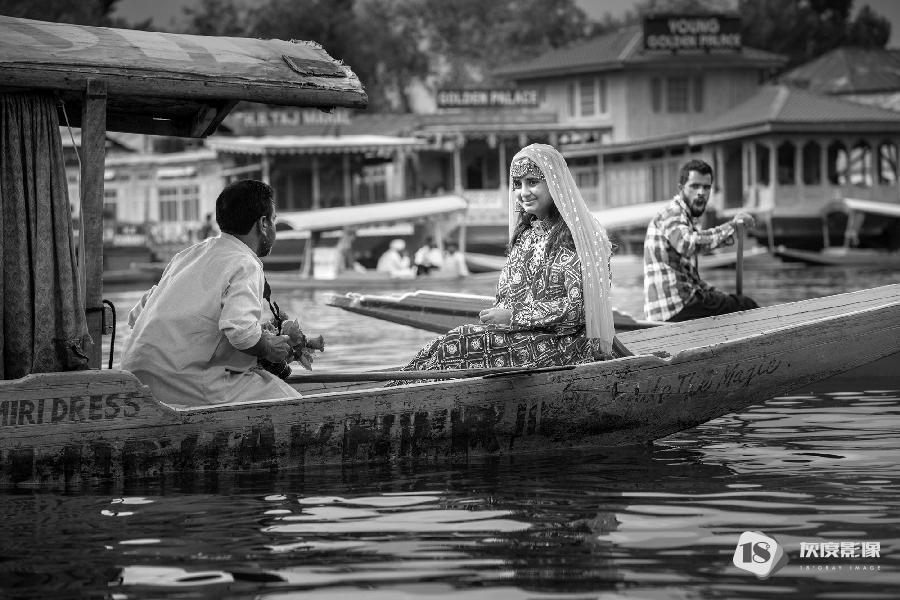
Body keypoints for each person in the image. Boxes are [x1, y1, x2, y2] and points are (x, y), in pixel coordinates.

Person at [391, 143, 615, 377]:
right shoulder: (525, 237)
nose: (523, 192)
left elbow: (580, 310)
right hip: (524, 336)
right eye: (517, 184)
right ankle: (395, 390)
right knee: (441, 344)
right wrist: (498, 316)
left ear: (554, 183)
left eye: (532, 182)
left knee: (459, 342)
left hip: (568, 346)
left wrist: (514, 316)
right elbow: (506, 298)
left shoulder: (579, 238)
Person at [120, 180, 301, 407]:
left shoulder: (187, 255)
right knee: (295, 403)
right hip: (182, 383)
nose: (273, 228)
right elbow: (242, 334)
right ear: (263, 224)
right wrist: (270, 349)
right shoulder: (245, 263)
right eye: (273, 220)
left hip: (133, 377)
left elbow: (137, 316)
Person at [643, 159, 759, 322]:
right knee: (746, 305)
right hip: (676, 307)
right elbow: (687, 244)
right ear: (681, 188)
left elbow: (694, 281)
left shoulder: (685, 220)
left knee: (735, 302)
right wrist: (732, 226)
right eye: (695, 186)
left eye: (706, 187)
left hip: (676, 307)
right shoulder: (672, 213)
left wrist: (724, 296)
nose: (701, 192)